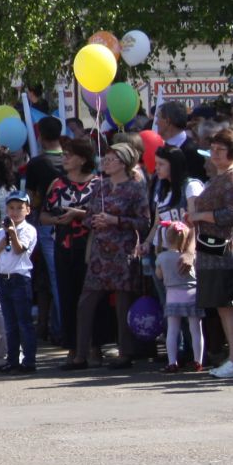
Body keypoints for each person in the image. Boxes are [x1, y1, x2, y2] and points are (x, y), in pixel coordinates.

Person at [80, 144, 151, 370]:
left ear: (123, 163)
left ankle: (125, 353)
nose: (105, 162)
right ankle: (80, 354)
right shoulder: (100, 186)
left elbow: (144, 222)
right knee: (86, 301)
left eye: (111, 159)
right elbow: (86, 215)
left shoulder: (135, 188)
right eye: (106, 158)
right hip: (100, 253)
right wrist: (94, 221)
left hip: (123, 251)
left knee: (122, 303)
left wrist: (116, 221)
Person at [189, 130, 233, 378]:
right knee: (223, 307)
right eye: (212, 148)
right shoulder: (220, 176)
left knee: (230, 304)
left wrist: (200, 216)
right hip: (213, 248)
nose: (214, 154)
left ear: (232, 152)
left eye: (220, 150)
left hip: (229, 250)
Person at [44, 140, 101, 370]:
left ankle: (96, 347)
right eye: (64, 155)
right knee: (67, 297)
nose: (64, 159)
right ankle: (73, 348)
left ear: (83, 159)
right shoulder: (57, 184)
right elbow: (43, 216)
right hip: (64, 246)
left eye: (69, 155)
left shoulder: (98, 184)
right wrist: (57, 220)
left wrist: (78, 214)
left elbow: (101, 212)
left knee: (93, 299)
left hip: (89, 247)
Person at [25, 117, 68, 339]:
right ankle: (58, 326)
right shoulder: (71, 161)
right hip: (72, 223)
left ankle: (62, 329)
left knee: (54, 277)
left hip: (46, 222)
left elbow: (31, 197)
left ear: (40, 136)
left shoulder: (37, 163)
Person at [0, 192, 40, 373]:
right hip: (3, 280)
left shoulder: (28, 230)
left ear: (27, 210)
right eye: (11, 208)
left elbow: (20, 250)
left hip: (19, 279)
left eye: (20, 208)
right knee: (9, 323)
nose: (15, 212)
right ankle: (12, 360)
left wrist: (13, 233)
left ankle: (29, 361)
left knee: (23, 322)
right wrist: (4, 239)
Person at [157, 222, 202, 372]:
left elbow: (159, 275)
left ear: (166, 238)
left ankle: (172, 362)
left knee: (172, 330)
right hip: (192, 295)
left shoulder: (162, 257)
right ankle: (198, 361)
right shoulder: (192, 256)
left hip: (172, 296)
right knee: (196, 329)